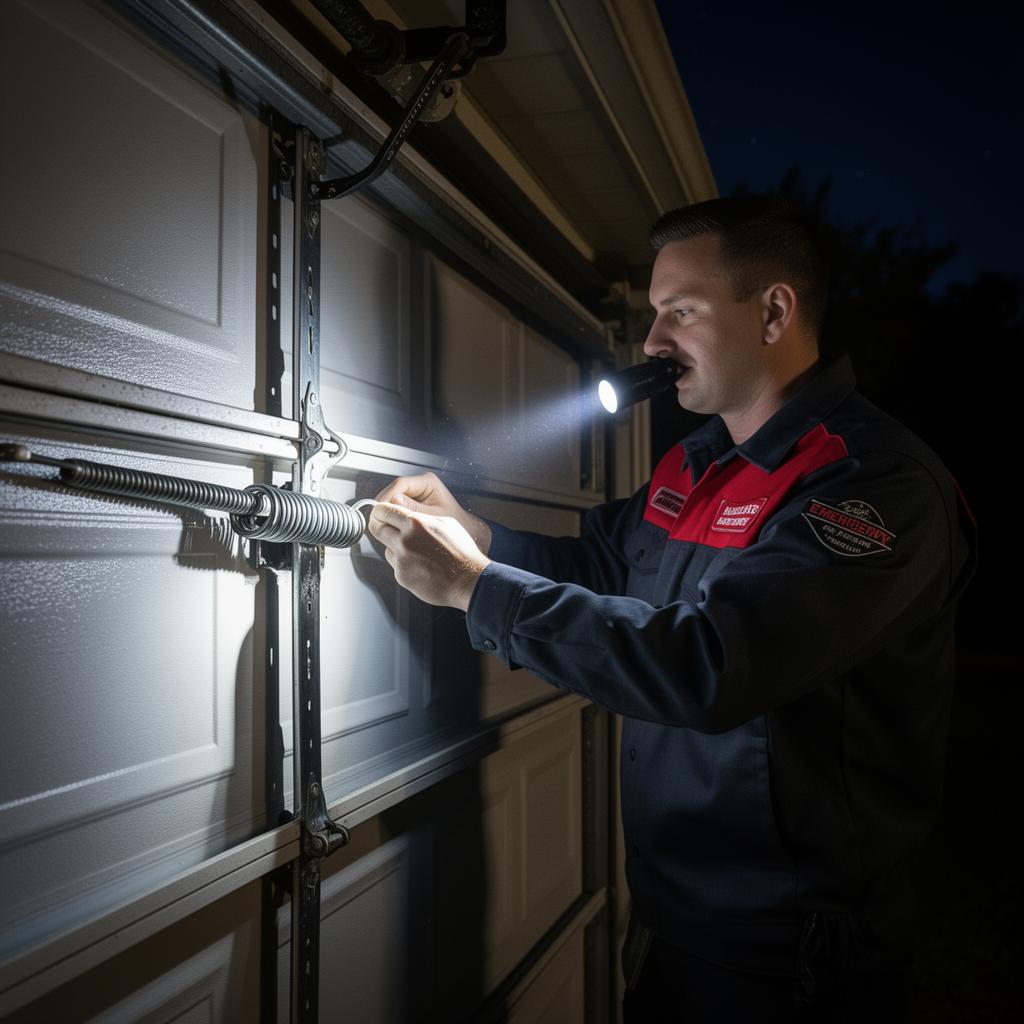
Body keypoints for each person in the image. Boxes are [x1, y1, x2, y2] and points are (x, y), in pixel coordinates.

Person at [366, 196, 976, 1021]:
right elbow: (597, 566)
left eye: (680, 312)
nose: (652, 343)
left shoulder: (872, 486)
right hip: (668, 916)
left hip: (789, 951)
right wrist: (476, 537)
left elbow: (712, 665)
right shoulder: (693, 465)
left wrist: (477, 587)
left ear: (774, 313)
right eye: (655, 314)